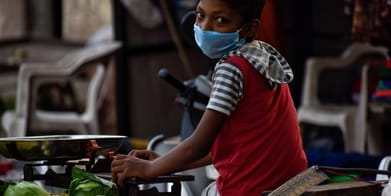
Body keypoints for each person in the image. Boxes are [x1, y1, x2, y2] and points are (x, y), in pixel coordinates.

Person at [111, 0, 308, 195]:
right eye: (200, 15)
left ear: (250, 28)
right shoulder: (262, 58)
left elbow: (198, 145)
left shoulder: (231, 68)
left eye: (221, 20)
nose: (205, 27)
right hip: (291, 186)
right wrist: (163, 161)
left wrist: (148, 169)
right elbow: (225, 148)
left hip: (250, 189)